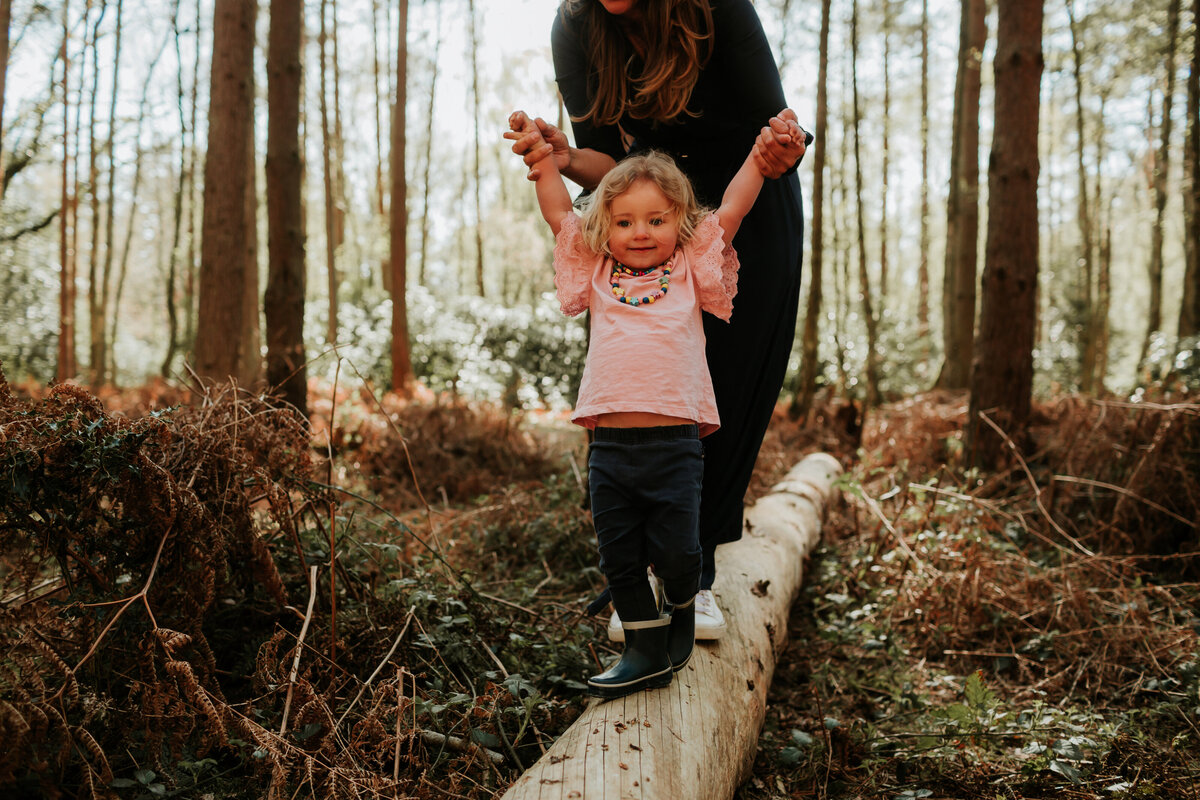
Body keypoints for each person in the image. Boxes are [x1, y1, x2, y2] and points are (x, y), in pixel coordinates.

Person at [506, 0, 810, 642]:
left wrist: (782, 146)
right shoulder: (576, 25)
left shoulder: (717, 8)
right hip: (644, 209)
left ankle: (693, 578)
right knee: (642, 379)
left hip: (741, 206)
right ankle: (639, 573)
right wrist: (560, 159)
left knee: (715, 398)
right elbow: (606, 162)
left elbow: (774, 130)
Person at [510, 110, 784, 698]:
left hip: (674, 445)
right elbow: (561, 213)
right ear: (603, 227)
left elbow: (731, 210)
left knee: (678, 551)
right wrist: (540, 163)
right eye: (625, 221)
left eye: (656, 220)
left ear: (680, 222)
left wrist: (760, 160)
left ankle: (684, 599)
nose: (640, 232)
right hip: (609, 447)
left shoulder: (688, 268)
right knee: (619, 557)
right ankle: (642, 649)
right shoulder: (598, 272)